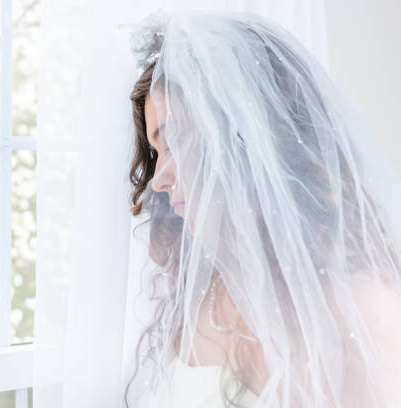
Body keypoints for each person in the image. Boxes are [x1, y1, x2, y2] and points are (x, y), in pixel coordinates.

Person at [122, 9, 401, 407]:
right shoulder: (195, 291)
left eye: (176, 142)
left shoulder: (362, 306)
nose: (158, 179)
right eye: (155, 151)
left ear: (247, 141)